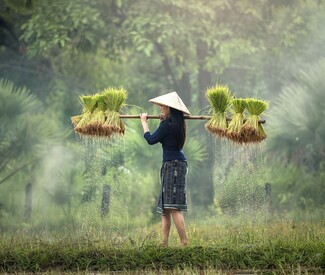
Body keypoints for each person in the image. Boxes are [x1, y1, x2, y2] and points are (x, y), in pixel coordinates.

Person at [140, 91, 190, 247]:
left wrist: (144, 122)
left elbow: (151, 139)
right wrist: (164, 120)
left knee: (173, 207)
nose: (161, 108)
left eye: (163, 106)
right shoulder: (177, 124)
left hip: (173, 165)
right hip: (174, 164)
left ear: (170, 109)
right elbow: (165, 134)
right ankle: (164, 243)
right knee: (165, 207)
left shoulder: (167, 125)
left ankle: (184, 241)